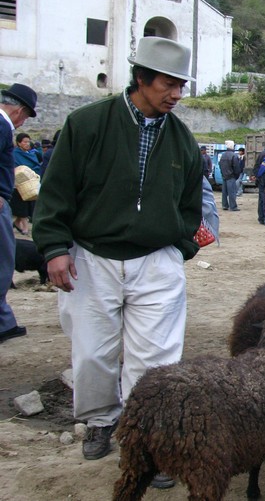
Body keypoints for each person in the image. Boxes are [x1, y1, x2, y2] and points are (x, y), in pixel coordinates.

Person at [32, 37, 202, 485]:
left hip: (157, 260)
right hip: (91, 256)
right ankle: (101, 420)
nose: (177, 94)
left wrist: (180, 247)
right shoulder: (87, 124)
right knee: (93, 352)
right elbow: (56, 191)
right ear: (142, 78)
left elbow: (190, 204)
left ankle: (149, 437)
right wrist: (54, 248)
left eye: (181, 85)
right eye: (169, 84)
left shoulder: (183, 140)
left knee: (157, 358)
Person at [0, 83, 38, 344]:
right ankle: (3, 322)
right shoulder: (3, 126)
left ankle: (5, 320)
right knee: (4, 260)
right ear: (20, 111)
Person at [10, 132, 41, 235]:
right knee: (21, 206)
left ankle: (17, 223)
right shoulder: (15, 154)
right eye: (25, 142)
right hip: (19, 184)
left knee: (29, 205)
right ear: (19, 143)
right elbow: (17, 168)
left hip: (31, 184)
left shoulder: (32, 154)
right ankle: (25, 227)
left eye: (28, 141)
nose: (27, 144)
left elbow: (36, 166)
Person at [219, 140, 240, 211]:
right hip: (231, 176)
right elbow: (236, 167)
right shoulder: (234, 155)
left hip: (224, 175)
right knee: (232, 192)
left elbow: (220, 165)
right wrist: (236, 176)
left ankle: (225, 205)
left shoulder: (223, 155)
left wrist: (223, 174)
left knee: (224, 192)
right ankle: (233, 206)